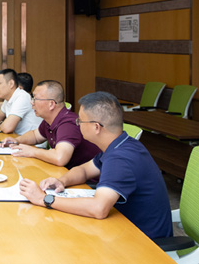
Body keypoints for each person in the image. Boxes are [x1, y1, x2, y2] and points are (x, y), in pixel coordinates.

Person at [18, 91, 172, 240]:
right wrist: (62, 181)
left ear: (96, 127)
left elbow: (99, 208)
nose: (77, 124)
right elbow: (84, 170)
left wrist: (44, 199)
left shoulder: (120, 158)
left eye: (80, 121)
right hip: (122, 227)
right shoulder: (120, 144)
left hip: (144, 242)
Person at [0, 80, 100, 169]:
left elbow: (60, 158)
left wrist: (33, 151)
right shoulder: (50, 119)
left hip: (86, 181)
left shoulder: (68, 124)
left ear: (51, 104)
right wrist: (16, 141)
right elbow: (35, 136)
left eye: (35, 99)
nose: (32, 102)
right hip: (66, 172)